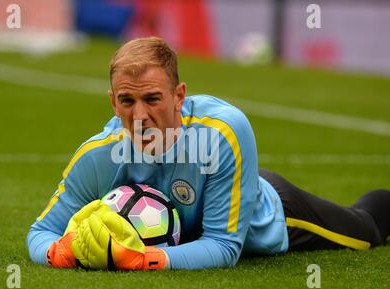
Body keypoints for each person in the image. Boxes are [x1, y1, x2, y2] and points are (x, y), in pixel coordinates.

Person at [26, 37, 390, 270]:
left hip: (266, 219)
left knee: (365, 230)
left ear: (179, 96)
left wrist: (146, 260)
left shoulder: (223, 132)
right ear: (112, 102)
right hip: (194, 231)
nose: (139, 116)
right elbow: (42, 231)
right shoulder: (98, 155)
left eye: (152, 98)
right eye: (127, 101)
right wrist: (58, 252)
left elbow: (224, 246)